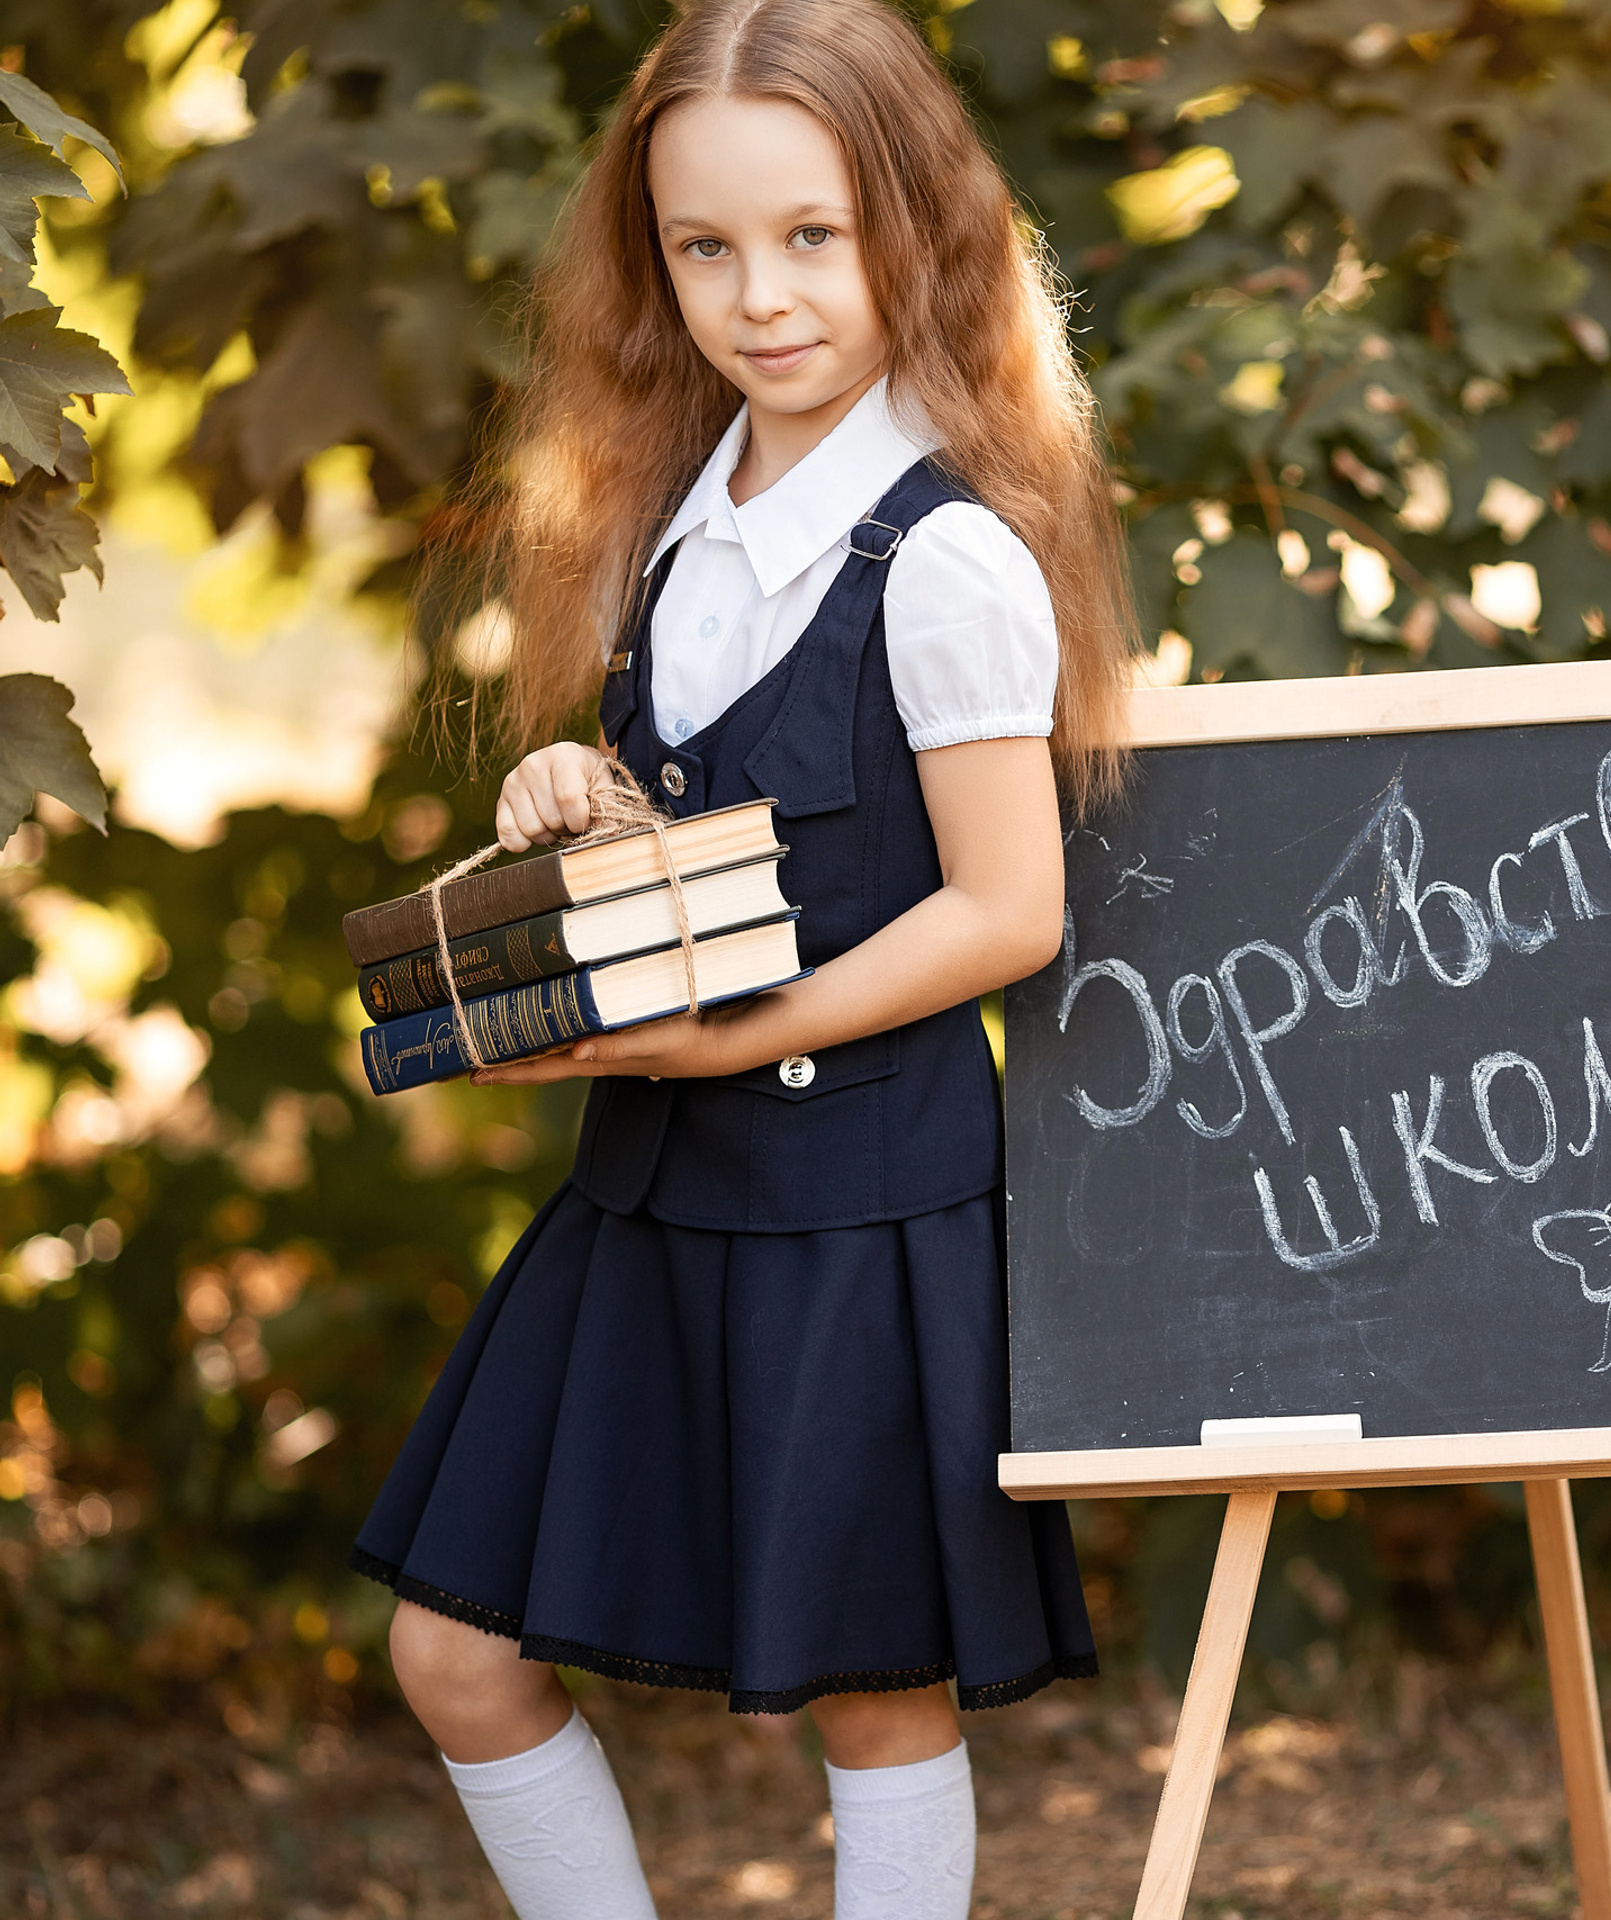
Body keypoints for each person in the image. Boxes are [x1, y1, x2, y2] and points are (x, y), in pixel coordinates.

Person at [349, 1, 1135, 1914]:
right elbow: (718, 826)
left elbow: (1005, 909)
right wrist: (579, 798)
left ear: (915, 232)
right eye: (703, 246)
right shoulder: (678, 527)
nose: (757, 296)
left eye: (810, 236)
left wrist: (736, 1038)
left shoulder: (946, 559)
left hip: (860, 1201)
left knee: (872, 1693)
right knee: (452, 1651)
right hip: (651, 1181)